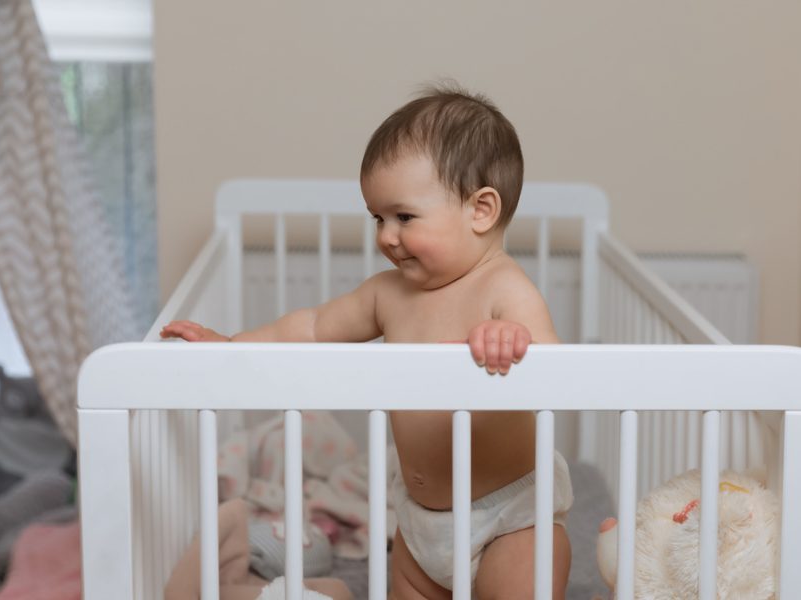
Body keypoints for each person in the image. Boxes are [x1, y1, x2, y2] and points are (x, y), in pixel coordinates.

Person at [161, 84, 574, 599]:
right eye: (378, 218)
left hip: (509, 519)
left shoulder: (505, 290)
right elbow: (311, 327)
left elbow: (558, 371)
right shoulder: (388, 294)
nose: (386, 236)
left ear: (481, 210)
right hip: (421, 522)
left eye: (404, 217)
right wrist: (233, 345)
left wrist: (513, 340)